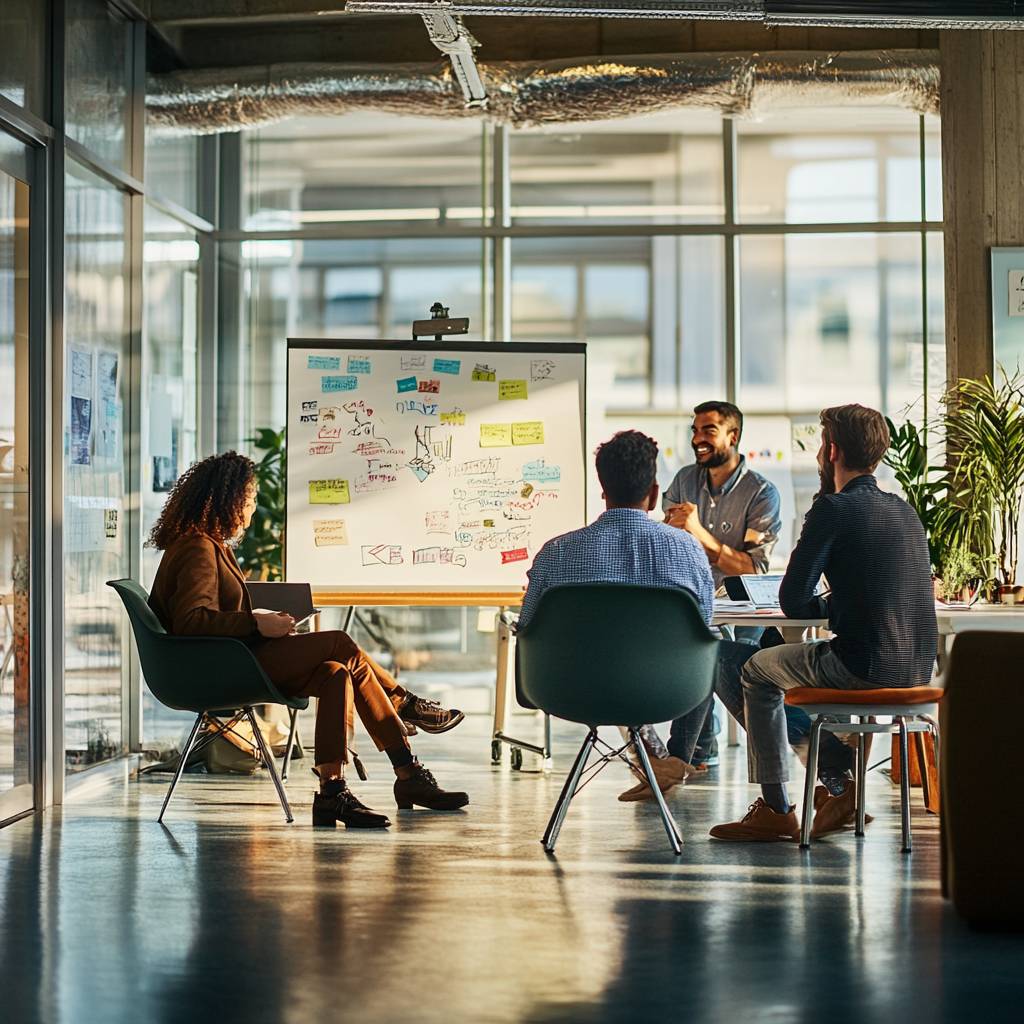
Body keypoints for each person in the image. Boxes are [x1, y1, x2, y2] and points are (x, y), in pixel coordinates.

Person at [147, 451, 469, 831]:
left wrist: (262, 621)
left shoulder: (207, 543)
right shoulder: (197, 548)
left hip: (231, 660)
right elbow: (190, 621)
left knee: (336, 673)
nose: (252, 509)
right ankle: (405, 717)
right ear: (227, 500)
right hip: (219, 669)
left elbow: (206, 616)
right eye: (249, 499)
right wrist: (255, 624)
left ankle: (335, 792)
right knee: (339, 643)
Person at [709, 404, 938, 842]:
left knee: (744, 666)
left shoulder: (834, 509)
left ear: (831, 451)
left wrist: (830, 605)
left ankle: (777, 809)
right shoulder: (904, 510)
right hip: (915, 671)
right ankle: (838, 783)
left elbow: (793, 599)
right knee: (769, 657)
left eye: (820, 444)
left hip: (861, 667)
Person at [517, 430, 715, 799]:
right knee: (713, 648)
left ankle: (657, 760)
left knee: (611, 655)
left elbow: (526, 626)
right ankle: (671, 758)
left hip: (569, 690)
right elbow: (703, 625)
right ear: (655, 494)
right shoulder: (687, 550)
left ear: (602, 489)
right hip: (669, 688)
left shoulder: (555, 554)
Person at [657, 401, 783, 768]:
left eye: (708, 431)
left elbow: (752, 567)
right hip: (694, 601)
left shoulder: (762, 493)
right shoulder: (683, 481)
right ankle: (697, 750)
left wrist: (698, 534)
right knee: (699, 647)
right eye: (695, 430)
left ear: (733, 436)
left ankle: (686, 755)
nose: (698, 439)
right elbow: (669, 542)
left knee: (715, 658)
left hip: (745, 607)